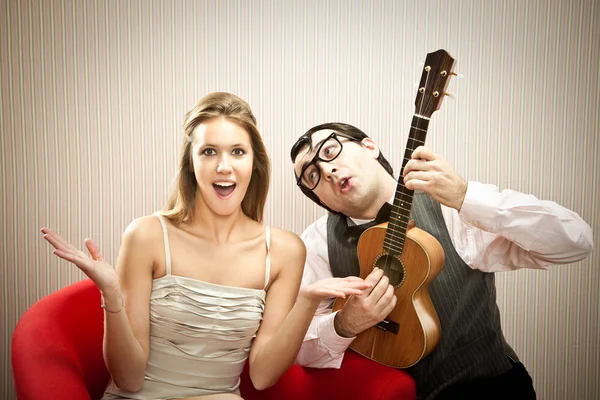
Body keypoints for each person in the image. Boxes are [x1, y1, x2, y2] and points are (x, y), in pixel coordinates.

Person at [41, 93, 370, 400]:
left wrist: (307, 301)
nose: (223, 166)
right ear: (191, 163)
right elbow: (128, 379)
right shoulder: (147, 235)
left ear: (254, 163)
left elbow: (263, 376)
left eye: (237, 152)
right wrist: (111, 296)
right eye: (209, 151)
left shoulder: (285, 250)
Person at [290, 122, 593, 400]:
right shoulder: (316, 245)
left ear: (370, 147)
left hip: (486, 388)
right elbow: (297, 348)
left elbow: (575, 241)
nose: (327, 170)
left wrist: (465, 196)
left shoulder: (452, 208)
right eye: (312, 175)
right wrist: (342, 324)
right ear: (320, 200)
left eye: (330, 150)